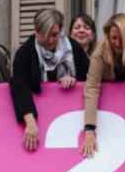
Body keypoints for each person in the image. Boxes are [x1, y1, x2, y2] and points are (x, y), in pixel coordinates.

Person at [10, 8, 90, 151]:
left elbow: (91, 78)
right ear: (36, 31)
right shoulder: (25, 53)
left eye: (54, 35)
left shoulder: (74, 49)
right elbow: (19, 86)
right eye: (45, 35)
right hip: (42, 120)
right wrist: (30, 122)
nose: (50, 40)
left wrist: (74, 81)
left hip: (72, 120)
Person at [81, 14, 125, 158]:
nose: (116, 43)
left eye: (121, 38)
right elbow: (91, 88)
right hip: (109, 113)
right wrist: (90, 129)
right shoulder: (99, 53)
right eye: (113, 38)